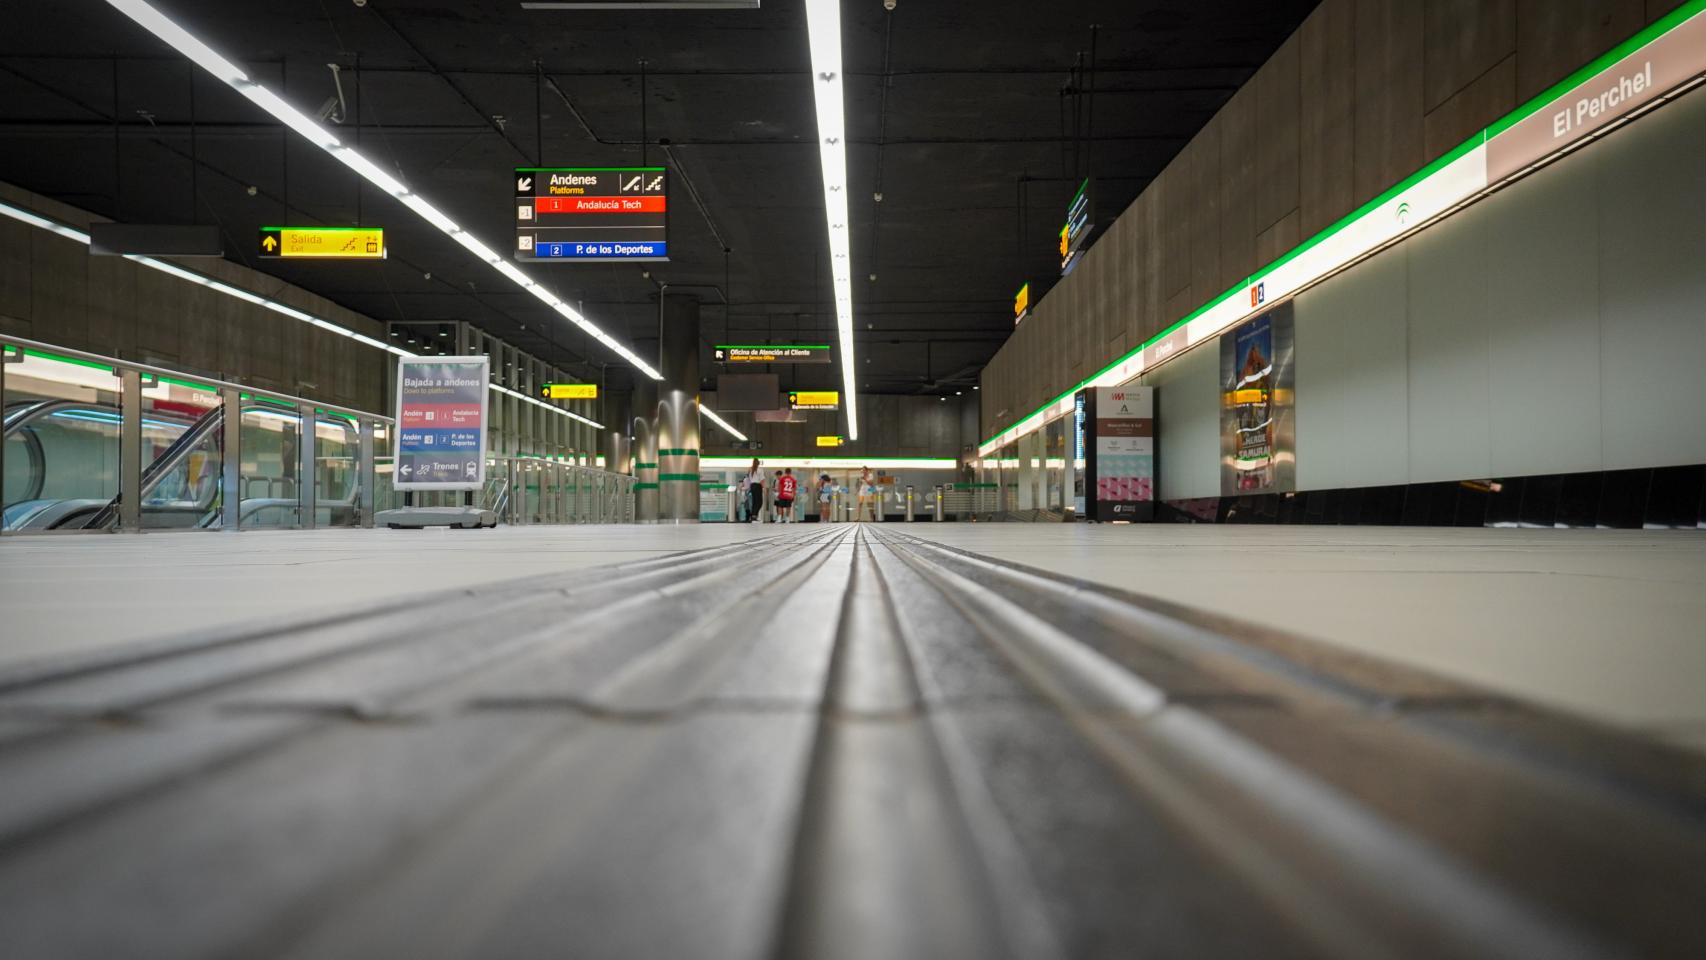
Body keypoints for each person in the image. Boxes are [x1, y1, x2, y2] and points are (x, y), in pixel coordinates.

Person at [744, 458, 763, 523]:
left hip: (752, 486)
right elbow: (762, 480)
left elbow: (748, 479)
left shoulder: (750, 469)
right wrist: (764, 488)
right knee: (759, 502)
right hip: (757, 486)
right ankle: (754, 517)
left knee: (755, 502)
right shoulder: (760, 470)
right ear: (758, 463)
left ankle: (753, 517)